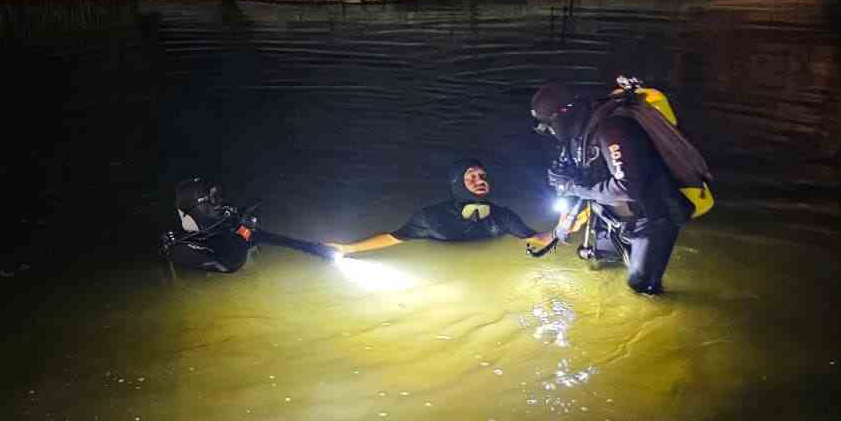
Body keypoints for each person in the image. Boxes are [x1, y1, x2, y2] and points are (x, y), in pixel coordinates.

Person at [529, 81, 698, 295]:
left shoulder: (613, 129)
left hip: (652, 217)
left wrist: (575, 187)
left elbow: (627, 188)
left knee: (641, 288)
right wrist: (556, 232)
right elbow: (573, 188)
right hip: (612, 215)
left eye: (548, 123)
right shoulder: (577, 137)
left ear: (564, 113)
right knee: (603, 263)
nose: (548, 130)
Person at [329, 160, 551, 254]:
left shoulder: (503, 216)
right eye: (471, 177)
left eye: (482, 176)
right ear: (457, 184)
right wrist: (348, 249)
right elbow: (393, 237)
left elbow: (538, 239)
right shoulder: (431, 217)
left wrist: (571, 223)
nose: (480, 180)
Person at [161, 177, 333, 272]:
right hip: (221, 275)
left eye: (218, 197)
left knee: (257, 233)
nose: (219, 203)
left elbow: (280, 239)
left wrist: (317, 249)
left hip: (234, 247)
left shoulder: (227, 221)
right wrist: (242, 237)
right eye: (213, 199)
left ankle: (321, 250)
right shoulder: (179, 246)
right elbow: (226, 265)